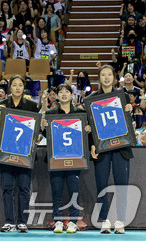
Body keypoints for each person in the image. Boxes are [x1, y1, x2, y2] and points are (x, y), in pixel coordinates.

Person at [88, 65, 133, 234]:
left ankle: (120, 220)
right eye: (103, 75)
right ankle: (104, 220)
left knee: (122, 184)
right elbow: (90, 125)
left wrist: (129, 111)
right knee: (101, 184)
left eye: (109, 75)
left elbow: (128, 124)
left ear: (114, 78)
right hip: (101, 148)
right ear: (99, 78)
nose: (106, 78)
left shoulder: (123, 96)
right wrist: (92, 144)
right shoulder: (92, 99)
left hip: (121, 147)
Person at [0, 75, 39, 233]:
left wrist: (38, 134)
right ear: (10, 88)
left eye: (20, 85)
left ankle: (22, 222)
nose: (18, 87)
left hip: (24, 153)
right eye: (14, 85)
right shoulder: (0, 105)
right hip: (5, 152)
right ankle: (9, 221)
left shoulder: (32, 106)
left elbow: (37, 128)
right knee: (7, 187)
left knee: (23, 188)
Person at [42, 84, 85, 234]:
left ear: (72, 95)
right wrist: (43, 125)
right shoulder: (50, 113)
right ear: (57, 96)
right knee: (57, 192)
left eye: (67, 91)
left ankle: (73, 222)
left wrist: (87, 129)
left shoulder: (80, 113)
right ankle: (58, 221)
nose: (64, 94)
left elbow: (86, 135)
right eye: (61, 92)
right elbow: (44, 134)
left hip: (75, 157)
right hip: (56, 158)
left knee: (74, 191)